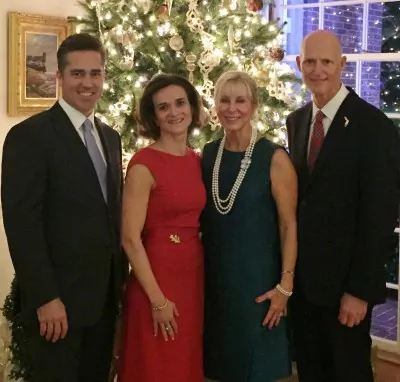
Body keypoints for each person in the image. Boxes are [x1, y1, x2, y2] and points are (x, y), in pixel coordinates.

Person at [1, 33, 128, 382]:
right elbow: (22, 225)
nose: (87, 83)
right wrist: (45, 298)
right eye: (77, 74)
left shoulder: (110, 137)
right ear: (60, 77)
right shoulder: (30, 137)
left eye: (95, 73)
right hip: (57, 306)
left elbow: (110, 217)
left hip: (102, 303)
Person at [286, 30, 400, 382]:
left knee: (347, 372)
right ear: (298, 64)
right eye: (310, 62)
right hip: (304, 285)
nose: (317, 70)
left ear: (343, 65)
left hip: (345, 289)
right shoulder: (297, 121)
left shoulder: (373, 126)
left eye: (326, 62)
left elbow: (381, 216)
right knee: (311, 371)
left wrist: (359, 290)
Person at [201, 71, 298, 382]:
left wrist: (285, 287)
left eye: (240, 100)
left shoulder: (274, 157)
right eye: (224, 100)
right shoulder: (209, 154)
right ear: (215, 106)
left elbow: (289, 226)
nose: (232, 108)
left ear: (254, 106)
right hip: (215, 288)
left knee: (256, 371)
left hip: (259, 288)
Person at [117, 73, 206, 382]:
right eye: (163, 107)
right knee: (157, 368)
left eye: (180, 103)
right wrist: (157, 300)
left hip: (192, 277)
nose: (174, 112)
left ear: (192, 107)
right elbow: (129, 239)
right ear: (153, 116)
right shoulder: (143, 164)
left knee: (183, 366)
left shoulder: (197, 160)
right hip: (156, 280)